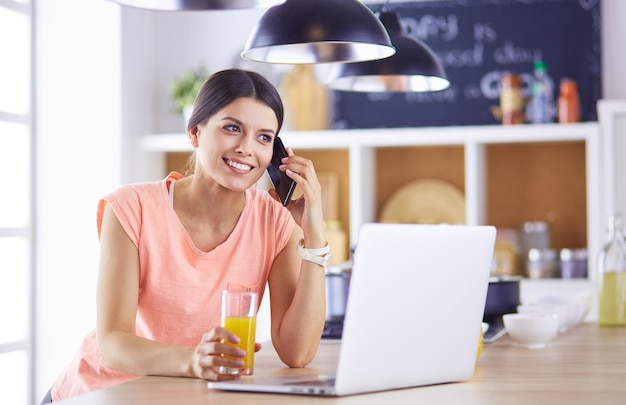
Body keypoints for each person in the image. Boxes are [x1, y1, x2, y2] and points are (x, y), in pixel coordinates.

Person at [42, 68, 328, 403]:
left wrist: (314, 231)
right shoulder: (130, 207)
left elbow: (298, 353)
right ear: (195, 132)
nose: (246, 148)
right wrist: (192, 360)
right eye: (232, 128)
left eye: (264, 137)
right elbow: (113, 344)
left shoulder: (274, 221)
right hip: (100, 392)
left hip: (183, 394)